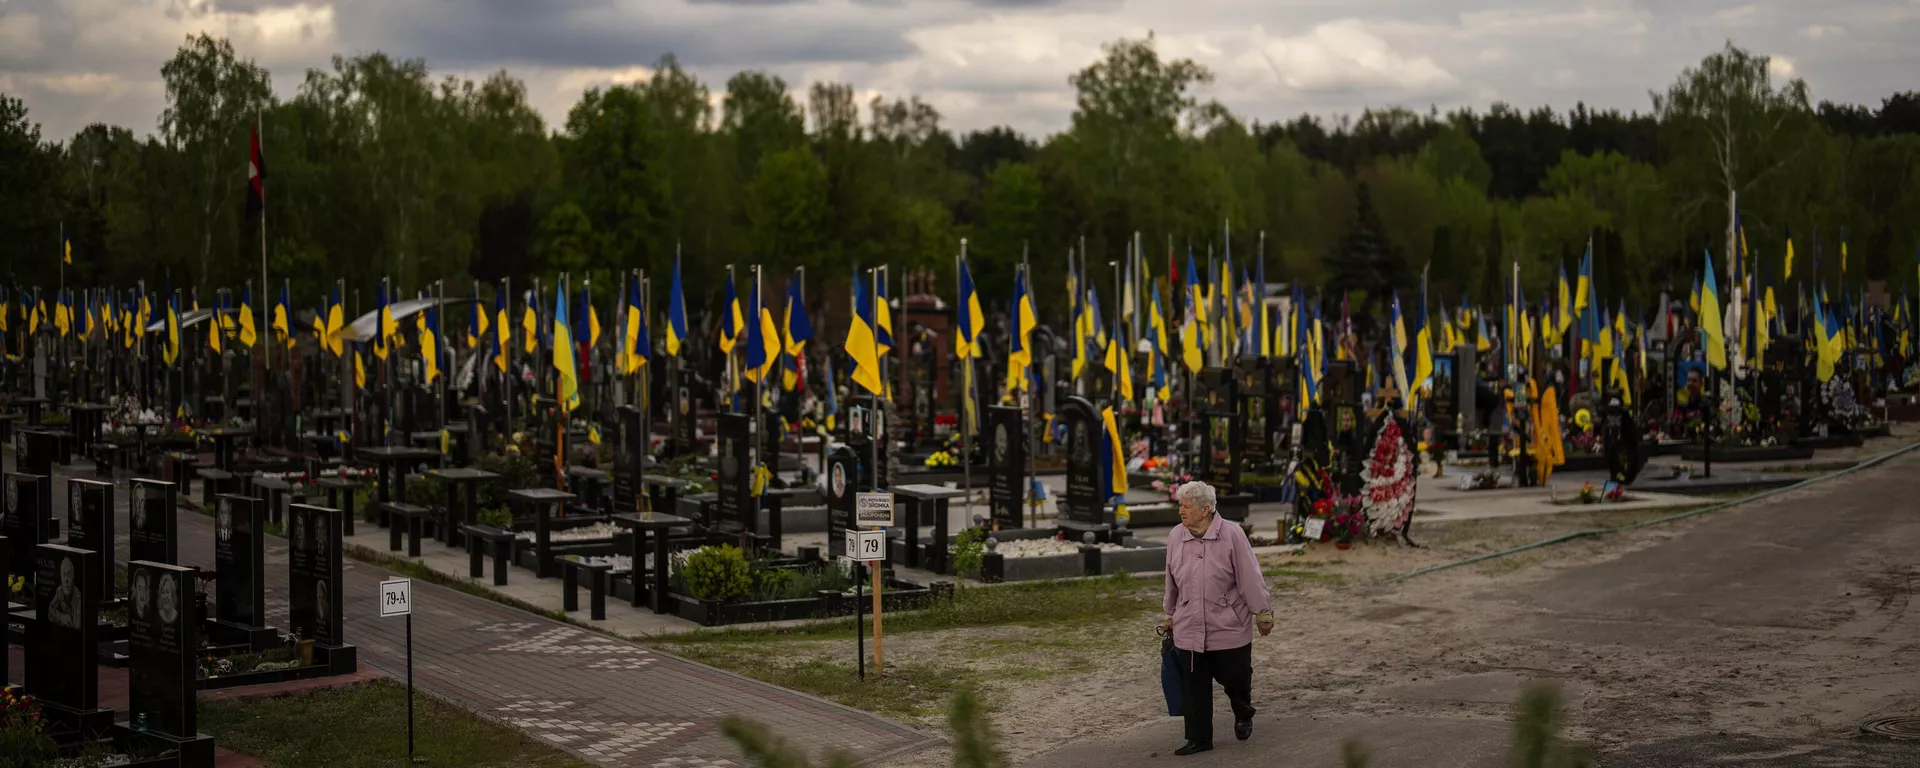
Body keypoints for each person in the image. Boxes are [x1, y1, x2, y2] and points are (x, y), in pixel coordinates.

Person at [1159, 481, 1273, 756]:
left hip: (1228, 623)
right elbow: (1171, 577)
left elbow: (1250, 576)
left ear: (1206, 509)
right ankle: (1198, 738)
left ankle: (1242, 711)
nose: (1181, 512)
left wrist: (1262, 611)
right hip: (1189, 623)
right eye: (1180, 506)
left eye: (1186, 507)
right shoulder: (1176, 535)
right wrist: (1170, 612)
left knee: (1235, 678)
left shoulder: (1232, 534)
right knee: (1194, 683)